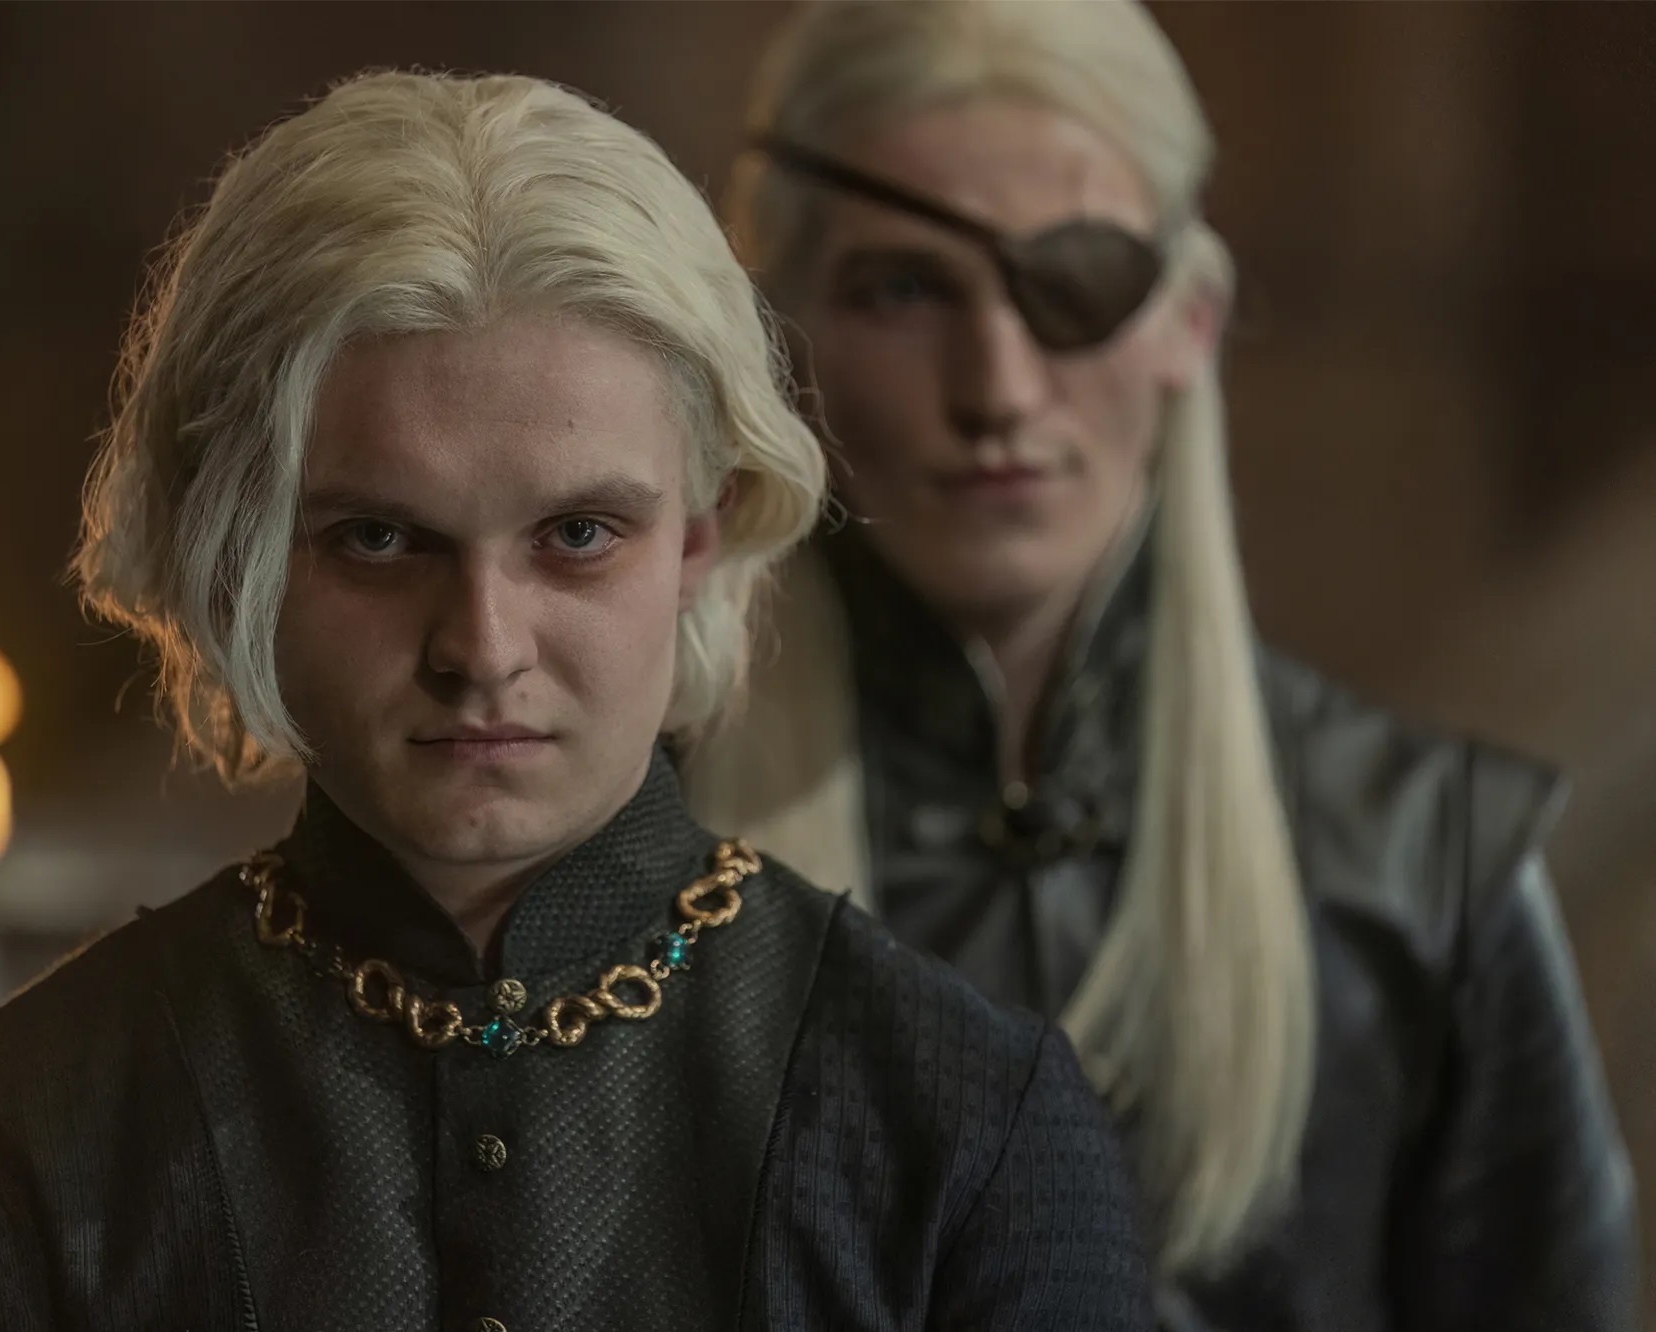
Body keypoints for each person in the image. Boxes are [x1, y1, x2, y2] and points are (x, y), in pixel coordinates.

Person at [0, 70, 1155, 1331]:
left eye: (577, 536)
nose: (482, 647)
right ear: (239, 552)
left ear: (701, 535)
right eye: (379, 540)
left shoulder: (971, 1134)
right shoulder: (12, 1145)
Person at [684, 3, 1641, 1329]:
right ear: (780, 334)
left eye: (1076, 279)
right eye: (903, 289)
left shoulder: (1421, 864)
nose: (997, 389)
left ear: (1189, 320)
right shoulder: (635, 850)